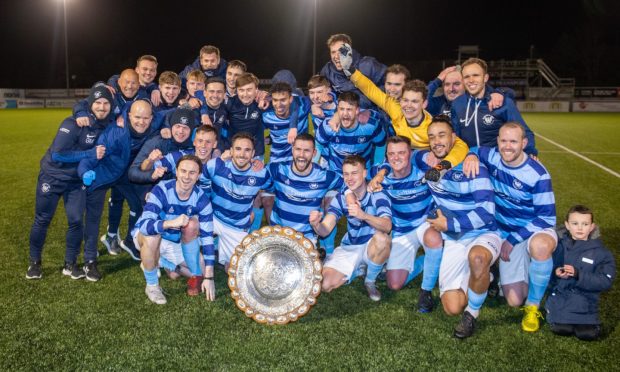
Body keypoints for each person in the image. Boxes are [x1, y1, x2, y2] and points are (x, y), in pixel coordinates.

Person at [464, 122, 557, 332]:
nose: (507, 146)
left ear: (524, 143)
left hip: (533, 229)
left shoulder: (538, 174)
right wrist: (471, 156)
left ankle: (533, 307)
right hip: (504, 230)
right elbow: (472, 149)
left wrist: (513, 239)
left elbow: (547, 218)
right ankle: (534, 274)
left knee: (541, 246)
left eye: (513, 141)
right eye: (503, 140)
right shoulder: (492, 155)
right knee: (514, 299)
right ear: (497, 141)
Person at [26, 84, 114, 280]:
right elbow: (58, 154)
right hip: (53, 176)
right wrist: (90, 153)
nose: (101, 107)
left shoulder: (106, 125)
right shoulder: (73, 123)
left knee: (75, 221)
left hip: (76, 181)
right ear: (90, 104)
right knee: (43, 219)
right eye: (98, 103)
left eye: (106, 103)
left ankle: (70, 264)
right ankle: (34, 262)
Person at [340, 45, 469, 178]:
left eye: (414, 102)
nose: (408, 106)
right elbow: (371, 90)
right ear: (400, 100)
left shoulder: (431, 127)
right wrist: (350, 70)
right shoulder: (396, 109)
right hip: (401, 156)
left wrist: (441, 167)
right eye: (405, 100)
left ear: (424, 104)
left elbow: (460, 145)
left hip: (426, 161)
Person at [423, 116, 500, 339]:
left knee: (477, 258)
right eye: (432, 137)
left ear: (454, 138)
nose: (436, 141)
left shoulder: (472, 167)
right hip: (454, 238)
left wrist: (449, 223)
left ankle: (472, 315)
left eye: (442, 135)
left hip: (483, 232)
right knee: (451, 307)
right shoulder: (429, 163)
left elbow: (486, 213)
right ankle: (488, 277)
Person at [77, 99, 161, 280]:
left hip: (123, 176)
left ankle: (130, 241)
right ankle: (89, 261)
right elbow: (92, 157)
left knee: (139, 206)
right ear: (128, 115)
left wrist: (169, 126)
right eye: (137, 117)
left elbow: (168, 115)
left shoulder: (153, 125)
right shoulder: (115, 133)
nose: (141, 122)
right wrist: (85, 172)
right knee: (94, 217)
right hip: (102, 175)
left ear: (151, 118)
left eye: (146, 118)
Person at [368, 136, 444, 312]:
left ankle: (426, 292)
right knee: (394, 284)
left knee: (433, 238)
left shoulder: (423, 169)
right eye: (392, 154)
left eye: (401, 153)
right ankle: (431, 259)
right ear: (386, 156)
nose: (396, 158)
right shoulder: (380, 174)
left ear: (411, 153)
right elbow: (356, 177)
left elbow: (446, 157)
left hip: (425, 222)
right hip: (401, 230)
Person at [132, 155, 215, 304]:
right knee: (153, 236)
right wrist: (169, 223)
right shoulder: (162, 189)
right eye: (183, 171)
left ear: (199, 176)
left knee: (199, 271)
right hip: (147, 237)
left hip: (173, 241)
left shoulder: (202, 199)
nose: (187, 177)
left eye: (192, 173)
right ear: (176, 172)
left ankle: (163, 263)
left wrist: (209, 277)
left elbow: (208, 238)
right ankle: (152, 286)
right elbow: (145, 225)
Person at [309, 155, 392, 301]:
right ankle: (360, 269)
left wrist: (364, 215)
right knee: (325, 285)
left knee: (382, 239)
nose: (350, 178)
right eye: (346, 174)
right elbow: (326, 229)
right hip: (350, 247)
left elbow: (387, 226)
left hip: (371, 245)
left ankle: (370, 281)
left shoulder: (378, 193)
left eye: (354, 173)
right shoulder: (341, 198)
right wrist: (316, 224)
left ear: (364, 173)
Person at [545, 205, 616, 340]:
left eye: (585, 224)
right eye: (575, 223)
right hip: (561, 299)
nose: (580, 228)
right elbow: (543, 269)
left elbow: (606, 280)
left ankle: (587, 322)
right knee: (561, 329)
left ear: (592, 227)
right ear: (567, 225)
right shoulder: (557, 246)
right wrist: (556, 272)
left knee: (587, 334)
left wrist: (579, 274)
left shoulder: (601, 253)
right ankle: (558, 314)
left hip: (586, 301)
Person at [205, 133, 272, 268]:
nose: (242, 154)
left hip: (236, 226)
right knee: (191, 227)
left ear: (253, 153)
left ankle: (222, 250)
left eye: (247, 150)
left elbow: (273, 190)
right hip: (214, 218)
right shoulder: (216, 166)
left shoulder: (261, 174)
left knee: (235, 270)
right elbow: (199, 186)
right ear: (231, 151)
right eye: (238, 149)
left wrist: (252, 213)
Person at [450, 58, 537, 156]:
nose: (471, 80)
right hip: (468, 159)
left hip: (496, 161)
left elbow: (524, 132)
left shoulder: (502, 102)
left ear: (485, 78)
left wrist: (530, 153)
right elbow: (456, 136)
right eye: (466, 77)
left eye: (476, 75)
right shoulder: (457, 104)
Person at [268, 134, 343, 244]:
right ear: (292, 150)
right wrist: (256, 164)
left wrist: (350, 194)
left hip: (306, 239)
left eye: (307, 151)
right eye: (298, 149)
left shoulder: (324, 177)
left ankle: (328, 250)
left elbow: (350, 185)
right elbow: (253, 176)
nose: (301, 155)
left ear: (314, 153)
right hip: (278, 235)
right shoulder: (277, 170)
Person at [320, 33, 386, 109]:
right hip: (344, 113)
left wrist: (363, 104)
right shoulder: (327, 71)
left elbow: (390, 87)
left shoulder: (368, 65)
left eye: (341, 51)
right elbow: (315, 89)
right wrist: (314, 105)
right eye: (333, 52)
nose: (336, 56)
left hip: (373, 113)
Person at [426, 65, 507, 118]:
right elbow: (421, 98)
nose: (451, 89)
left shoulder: (475, 102)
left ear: (465, 85)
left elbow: (510, 93)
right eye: (447, 84)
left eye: (456, 84)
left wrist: (498, 93)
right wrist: (437, 80)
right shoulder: (438, 104)